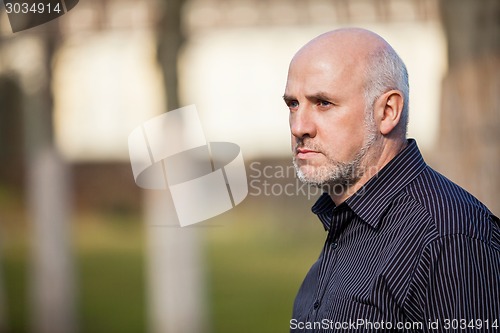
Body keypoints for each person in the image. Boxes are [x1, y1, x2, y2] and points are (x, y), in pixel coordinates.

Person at [284, 28, 499, 332]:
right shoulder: (346, 221)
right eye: (293, 104)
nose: (298, 126)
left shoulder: (449, 235)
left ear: (387, 111)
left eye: (323, 103)